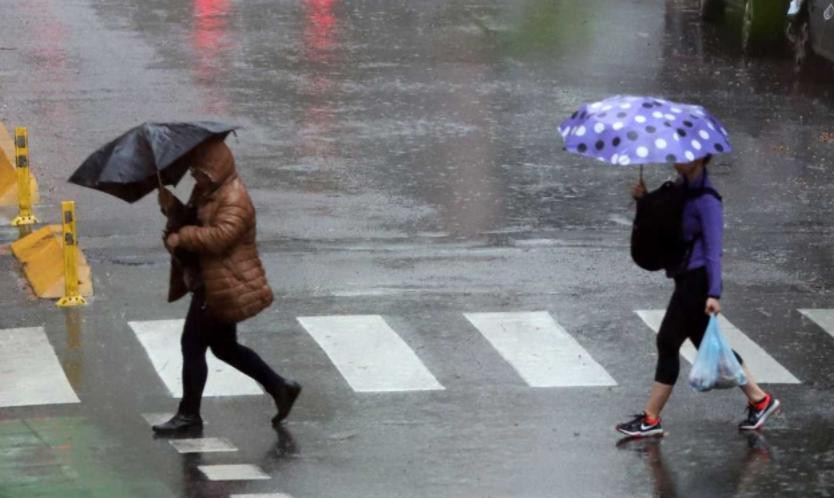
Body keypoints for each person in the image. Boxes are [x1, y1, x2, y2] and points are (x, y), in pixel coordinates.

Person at [616, 156, 780, 438]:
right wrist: (643, 200)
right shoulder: (681, 189)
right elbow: (663, 222)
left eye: (686, 155)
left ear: (703, 158)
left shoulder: (707, 200)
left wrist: (714, 293)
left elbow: (714, 251)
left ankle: (651, 418)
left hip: (698, 282)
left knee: (667, 340)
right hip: (684, 278)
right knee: (708, 343)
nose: (677, 159)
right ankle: (760, 399)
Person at [152, 138, 301, 434]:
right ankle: (280, 387)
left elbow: (220, 237)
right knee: (224, 347)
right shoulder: (209, 191)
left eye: (199, 172)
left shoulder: (234, 198)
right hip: (212, 281)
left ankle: (189, 414)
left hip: (222, 283)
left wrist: (183, 238)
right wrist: (174, 209)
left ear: (215, 169)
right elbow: (195, 221)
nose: (195, 177)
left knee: (192, 345)